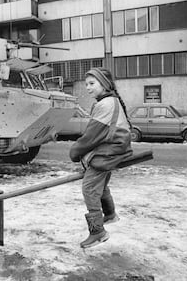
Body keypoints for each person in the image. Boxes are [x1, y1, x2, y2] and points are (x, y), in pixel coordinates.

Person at [69, 67, 132, 249]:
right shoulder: (112, 100)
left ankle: (97, 232)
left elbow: (91, 136)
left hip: (109, 151)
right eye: (86, 84)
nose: (87, 88)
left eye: (91, 83)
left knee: (89, 188)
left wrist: (75, 151)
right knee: (101, 185)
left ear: (104, 84)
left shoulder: (105, 104)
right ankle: (110, 214)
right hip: (116, 147)